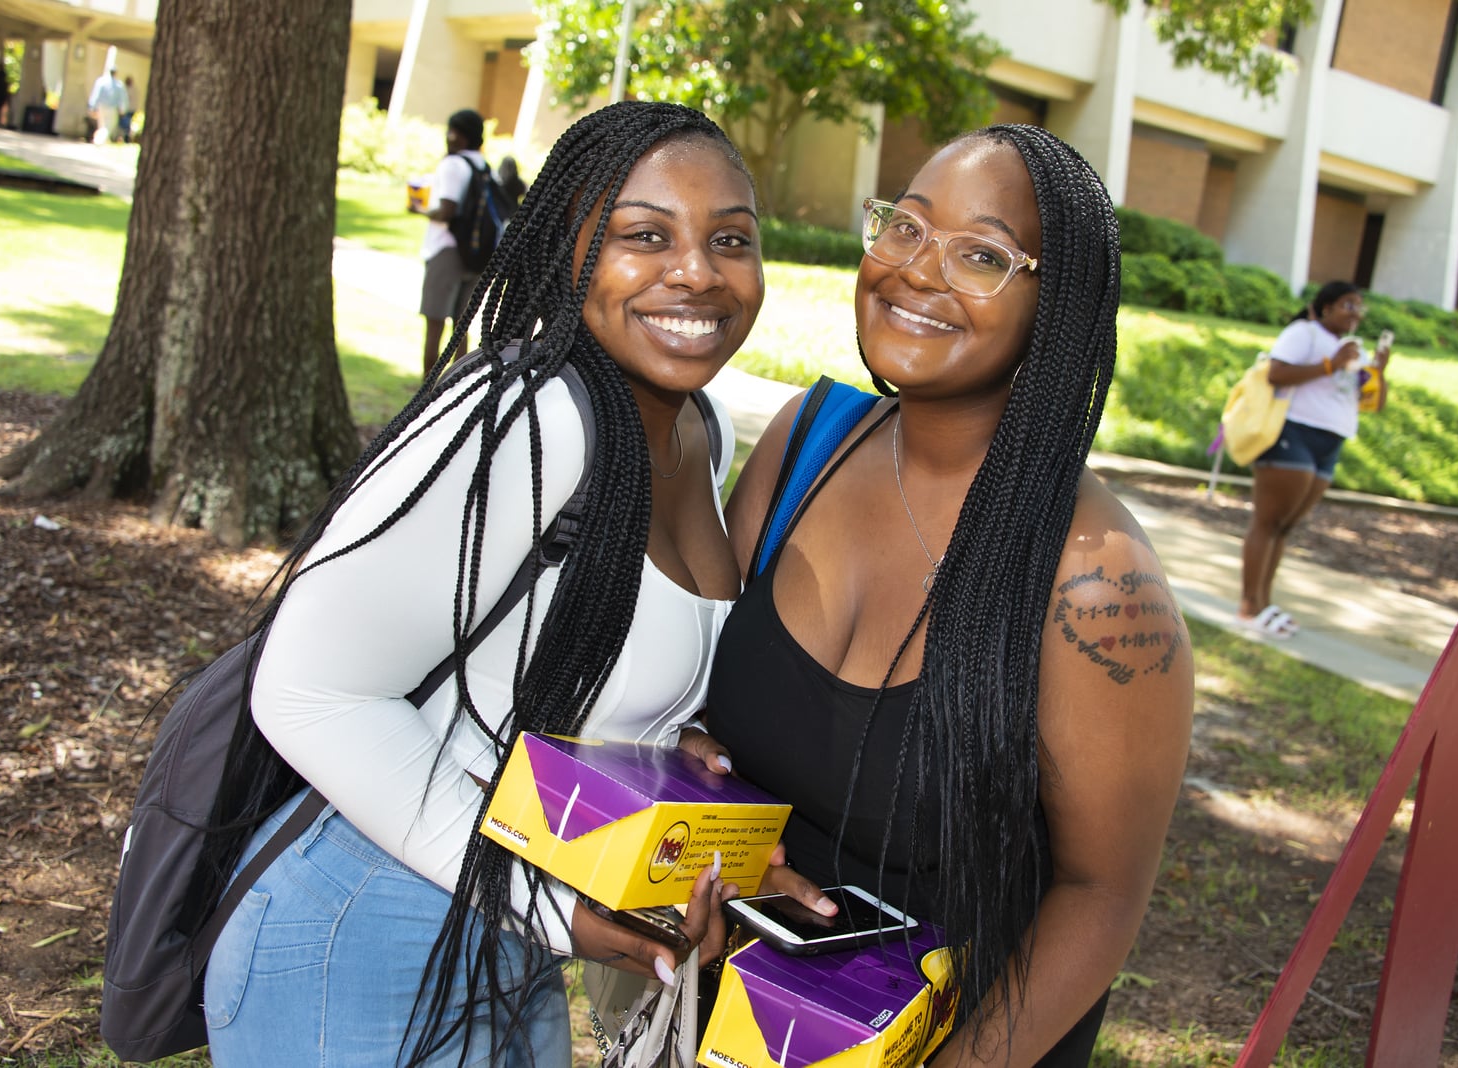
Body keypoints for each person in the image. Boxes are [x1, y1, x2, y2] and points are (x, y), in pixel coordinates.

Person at [196, 100, 762, 1065]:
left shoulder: (699, 429)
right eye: (644, 235)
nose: (698, 271)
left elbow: (549, 663)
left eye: (731, 240)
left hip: (508, 937)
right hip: (365, 934)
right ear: (568, 249)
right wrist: (547, 905)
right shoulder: (533, 418)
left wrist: (672, 739)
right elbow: (309, 692)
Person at [708, 126, 1194, 1064]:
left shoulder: (1094, 579)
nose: (915, 272)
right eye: (905, 228)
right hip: (738, 1016)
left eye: (981, 255)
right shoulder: (805, 442)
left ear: (1059, 310)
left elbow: (1103, 895)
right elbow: (710, 714)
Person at [1237, 281, 1390, 638]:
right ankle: (1248, 607)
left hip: (1331, 442)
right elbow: (1277, 373)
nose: (1356, 313)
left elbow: (1372, 404)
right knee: (1267, 521)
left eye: (1359, 307)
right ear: (1325, 308)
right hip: (1294, 434)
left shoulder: (1354, 349)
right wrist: (1330, 364)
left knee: (1286, 526)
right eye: (1348, 305)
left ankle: (1263, 602)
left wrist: (1379, 372)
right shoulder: (1304, 333)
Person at [411, 108, 491, 377]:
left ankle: (427, 392)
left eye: (452, 131)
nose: (448, 136)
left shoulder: (453, 164)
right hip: (476, 253)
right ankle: (460, 386)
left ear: (462, 136)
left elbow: (446, 210)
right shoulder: (482, 165)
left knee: (434, 324)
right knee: (461, 326)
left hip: (447, 249)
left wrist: (420, 210)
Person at [88, 66, 127, 144]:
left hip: (102, 107)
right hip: (112, 109)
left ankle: (102, 140)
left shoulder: (101, 82)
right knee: (108, 126)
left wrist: (92, 106)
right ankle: (99, 140)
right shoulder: (119, 85)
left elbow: (95, 95)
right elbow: (123, 99)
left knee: (103, 125)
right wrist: (123, 109)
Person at [118, 75, 136, 142]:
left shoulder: (130, 90)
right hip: (128, 110)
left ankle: (128, 138)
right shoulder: (126, 89)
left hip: (129, 110)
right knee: (126, 125)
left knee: (127, 125)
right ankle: (127, 137)